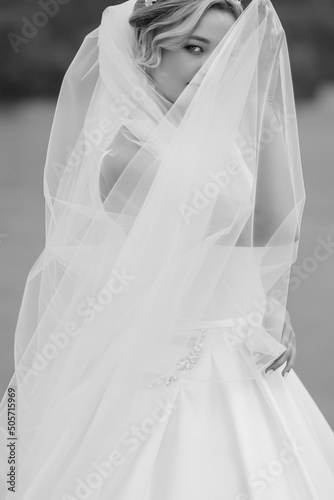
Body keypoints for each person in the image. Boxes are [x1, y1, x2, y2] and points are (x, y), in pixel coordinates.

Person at [1, 0, 334, 498]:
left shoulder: (208, 142)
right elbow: (252, 224)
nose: (210, 69)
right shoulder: (126, 156)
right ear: (148, 54)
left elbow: (260, 232)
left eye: (225, 54)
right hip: (180, 366)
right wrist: (263, 109)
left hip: (239, 349)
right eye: (193, 49)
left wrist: (270, 303)